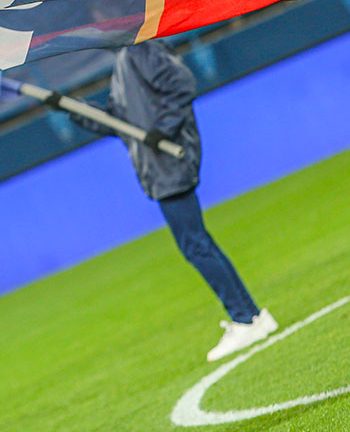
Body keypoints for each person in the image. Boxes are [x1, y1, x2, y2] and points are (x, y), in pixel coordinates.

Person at [52, 41, 276, 361]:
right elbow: (118, 122)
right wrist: (72, 109)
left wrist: (163, 130)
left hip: (169, 165)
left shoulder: (140, 50)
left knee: (195, 245)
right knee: (197, 243)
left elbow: (181, 84)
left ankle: (246, 317)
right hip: (159, 168)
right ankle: (250, 316)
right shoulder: (124, 62)